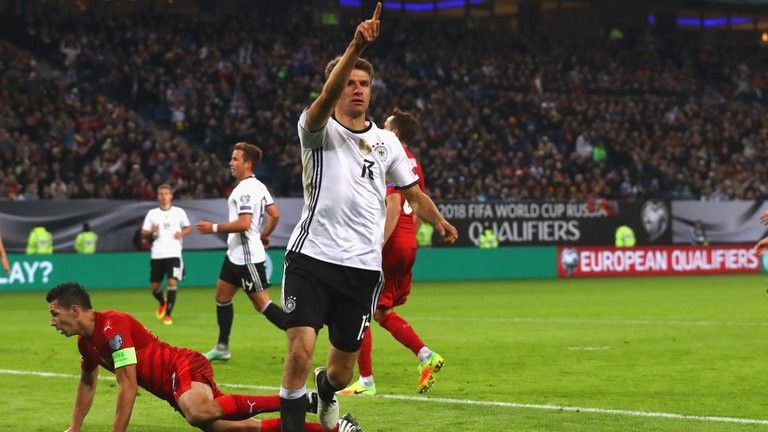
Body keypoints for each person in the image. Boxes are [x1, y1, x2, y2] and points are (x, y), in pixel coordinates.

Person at [279, 4, 458, 431]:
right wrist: (356, 45)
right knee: (300, 353)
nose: (357, 90)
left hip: (361, 269)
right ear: (336, 87)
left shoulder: (387, 143)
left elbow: (413, 194)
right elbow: (324, 101)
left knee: (341, 373)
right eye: (349, 83)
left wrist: (439, 220)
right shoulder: (316, 129)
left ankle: (326, 393)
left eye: (364, 83)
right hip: (312, 258)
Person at [46, 282, 363, 432]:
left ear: (75, 310)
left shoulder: (112, 325)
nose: (53, 322)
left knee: (198, 412)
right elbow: (87, 383)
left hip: (181, 366)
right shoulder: (86, 345)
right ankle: (338, 429)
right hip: (174, 390)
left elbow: (128, 386)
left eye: (55, 314)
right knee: (240, 430)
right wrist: (74, 428)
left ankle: (302, 401)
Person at [338, 108, 445, 397]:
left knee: (360, 308)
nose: (380, 131)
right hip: (408, 242)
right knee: (381, 311)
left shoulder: (388, 157)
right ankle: (426, 356)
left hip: (390, 242)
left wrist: (380, 243)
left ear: (394, 133)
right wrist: (408, 236)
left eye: (385, 127)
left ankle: (366, 381)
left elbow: (395, 205)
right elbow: (418, 205)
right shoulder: (414, 163)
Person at [195, 142, 284, 361]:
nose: (231, 163)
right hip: (234, 254)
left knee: (262, 303)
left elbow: (244, 224)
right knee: (222, 297)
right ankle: (222, 347)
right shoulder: (258, 186)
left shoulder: (245, 190)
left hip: (247, 258)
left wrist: (213, 228)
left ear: (248, 163)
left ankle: (300, 332)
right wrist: (264, 235)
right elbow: (274, 214)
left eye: (235, 159)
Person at [141, 184, 192, 325]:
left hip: (174, 253)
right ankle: (162, 302)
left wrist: (181, 233)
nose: (164, 196)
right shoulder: (152, 213)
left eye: (166, 193)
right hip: (157, 254)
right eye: (161, 194)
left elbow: (188, 228)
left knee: (172, 282)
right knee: (155, 287)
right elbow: (144, 233)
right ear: (158, 197)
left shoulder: (179, 212)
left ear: (171, 196)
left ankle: (168, 315)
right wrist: (152, 232)